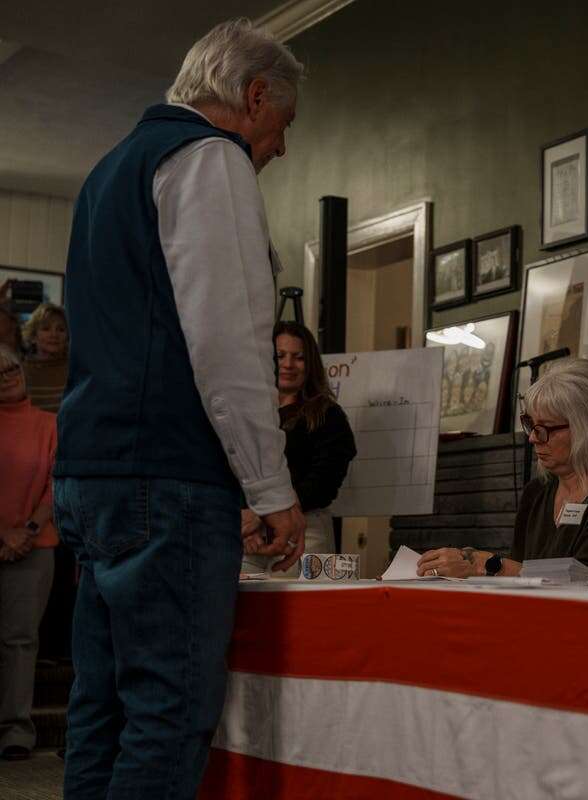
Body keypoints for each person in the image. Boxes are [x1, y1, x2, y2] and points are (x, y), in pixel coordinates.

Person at [52, 19, 306, 798]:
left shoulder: (109, 170)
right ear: (255, 95)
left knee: (100, 709)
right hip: (165, 477)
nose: (281, 147)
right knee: (167, 712)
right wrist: (270, 489)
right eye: (283, 124)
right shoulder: (207, 158)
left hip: (91, 470)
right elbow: (227, 343)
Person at [418, 358, 588, 581]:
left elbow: (585, 580)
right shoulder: (536, 491)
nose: (533, 438)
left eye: (545, 428)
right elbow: (519, 575)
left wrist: (485, 565)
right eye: (530, 425)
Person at [242, 321, 357, 574]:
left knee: (300, 609)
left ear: (311, 364)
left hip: (304, 527)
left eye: (298, 357)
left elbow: (324, 482)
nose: (288, 364)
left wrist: (266, 511)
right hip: (249, 534)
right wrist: (243, 520)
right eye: (280, 356)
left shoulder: (327, 415)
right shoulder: (247, 414)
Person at [0, 345, 57, 761]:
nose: (7, 374)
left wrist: (28, 530)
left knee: (20, 641)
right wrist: (4, 532)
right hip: (7, 537)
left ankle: (16, 730)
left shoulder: (50, 424)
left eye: (12, 367)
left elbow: (59, 482)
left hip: (35, 547)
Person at [21, 303, 69, 412]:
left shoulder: (76, 369)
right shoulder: (21, 372)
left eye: (61, 329)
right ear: (33, 336)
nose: (54, 335)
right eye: (46, 329)